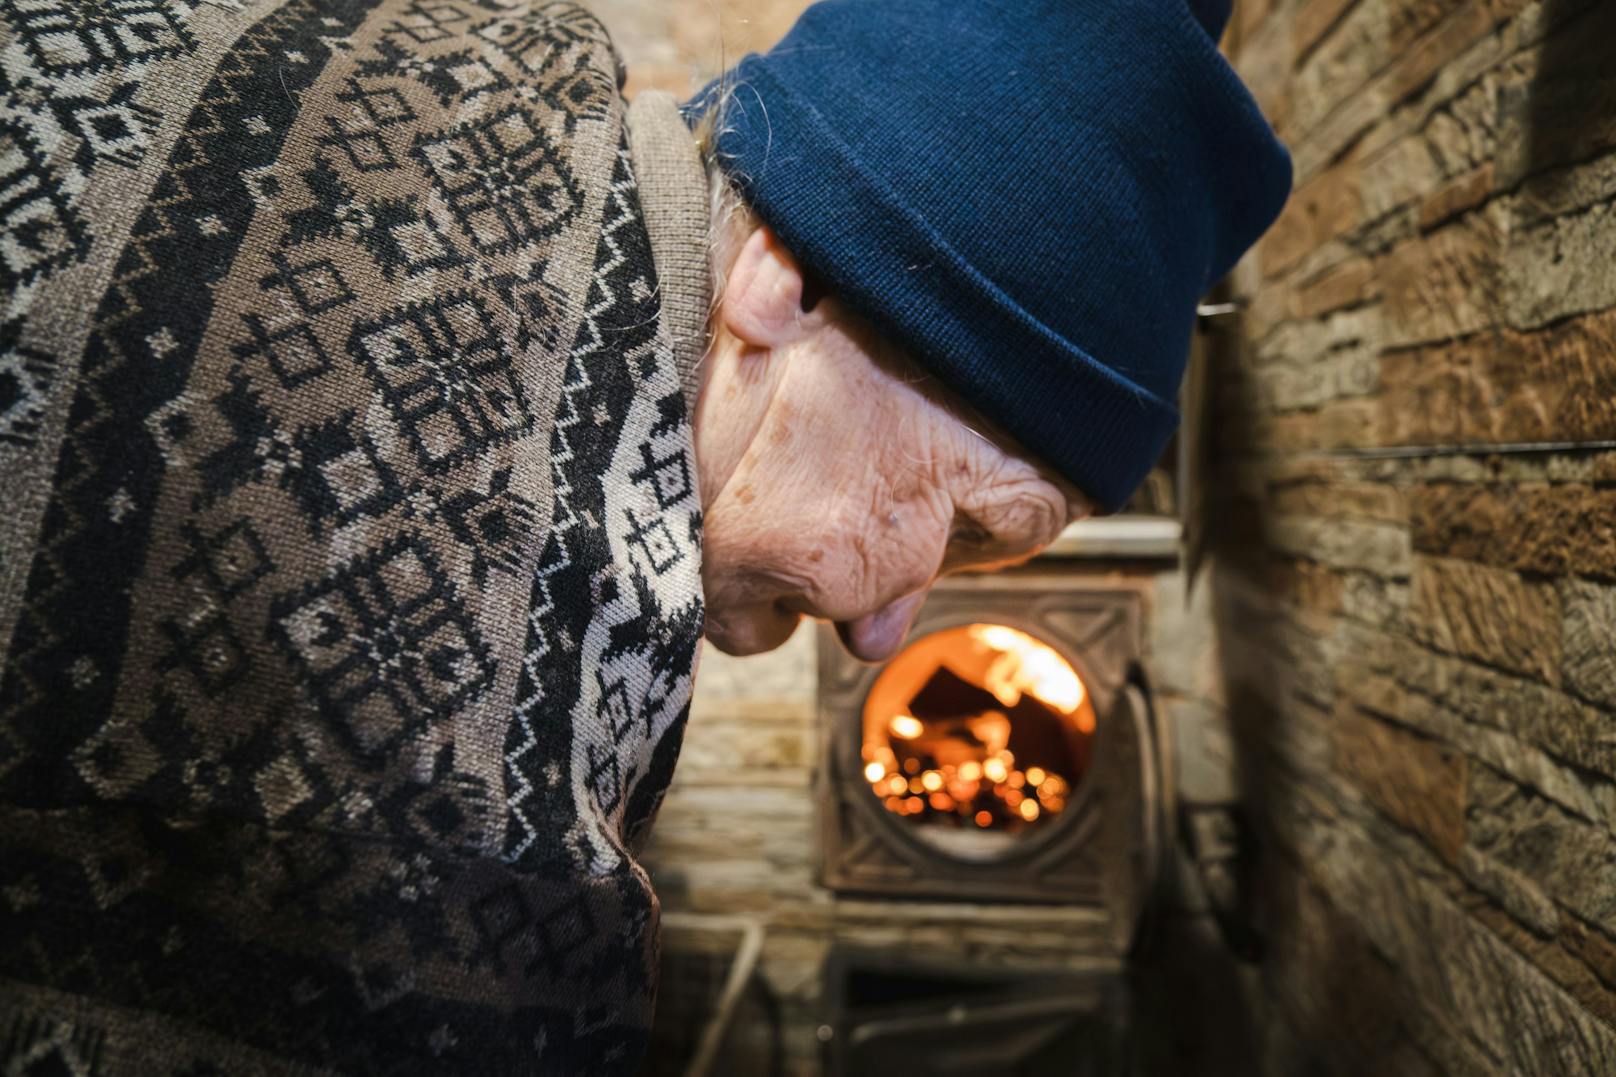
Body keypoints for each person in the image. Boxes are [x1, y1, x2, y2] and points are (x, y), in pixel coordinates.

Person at [0, 0, 1288, 1070]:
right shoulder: (476, 850)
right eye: (958, 527)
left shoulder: (458, 63)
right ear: (789, 276)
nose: (883, 630)